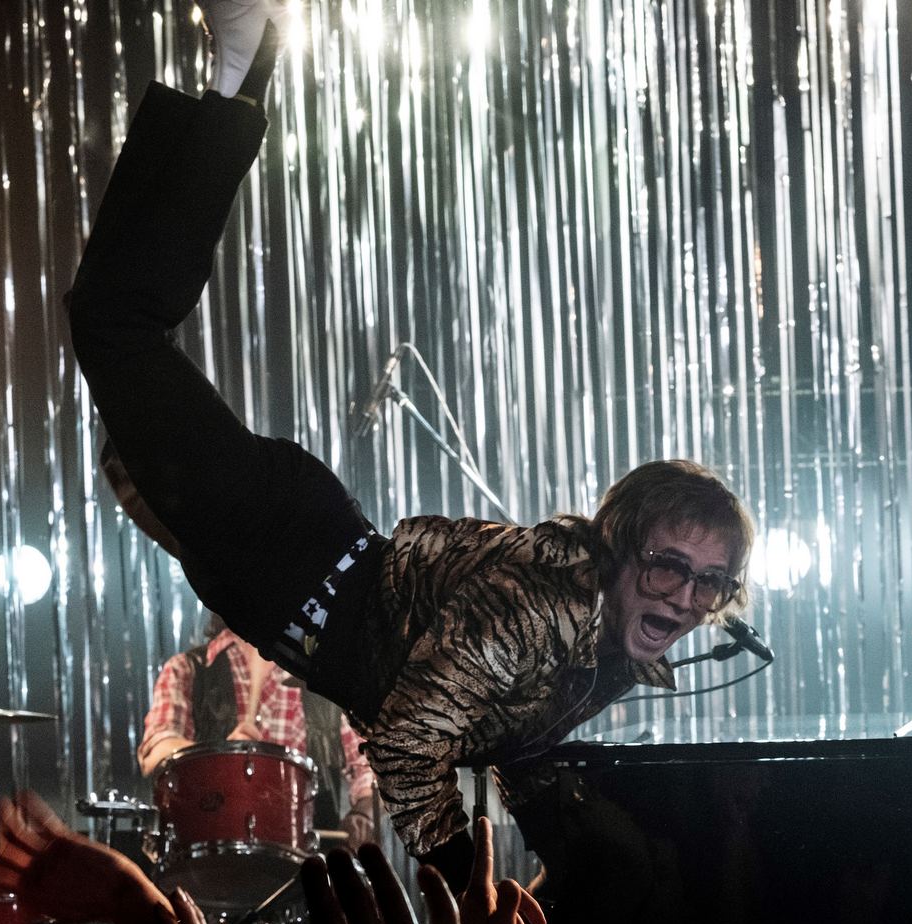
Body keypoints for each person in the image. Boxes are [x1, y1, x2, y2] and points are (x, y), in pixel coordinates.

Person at [66, 16, 756, 878]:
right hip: (290, 547)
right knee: (114, 324)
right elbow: (405, 741)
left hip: (279, 573)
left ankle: (239, 76)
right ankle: (242, 72)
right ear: (619, 549)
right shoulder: (547, 610)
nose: (687, 598)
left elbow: (495, 735)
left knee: (113, 330)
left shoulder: (606, 649)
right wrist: (469, 894)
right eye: (667, 566)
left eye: (710, 582)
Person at [139, 614, 381, 848]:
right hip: (212, 859)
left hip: (308, 865)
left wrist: (364, 813)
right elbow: (156, 750)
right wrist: (222, 754)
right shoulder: (188, 669)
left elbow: (370, 769)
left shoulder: (321, 681)